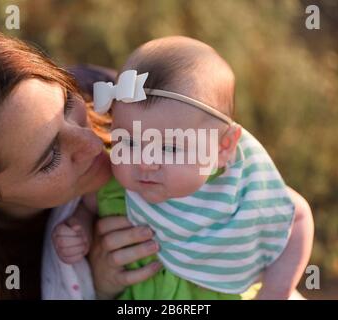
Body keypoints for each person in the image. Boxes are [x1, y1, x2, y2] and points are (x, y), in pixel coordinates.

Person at [53, 36, 314, 299]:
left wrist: (276, 290)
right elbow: (87, 206)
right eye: (129, 142)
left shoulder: (235, 188)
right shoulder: (114, 185)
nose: (145, 162)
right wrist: (79, 230)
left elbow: (296, 216)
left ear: (223, 148)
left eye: (170, 148)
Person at [0, 25, 161, 299]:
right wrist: (97, 288)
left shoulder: (112, 95)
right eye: (50, 158)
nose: (94, 144)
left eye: (68, 104)